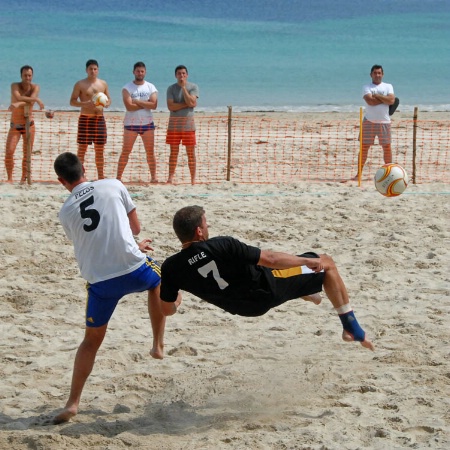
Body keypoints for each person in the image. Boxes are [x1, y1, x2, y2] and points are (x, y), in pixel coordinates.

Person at [51, 152, 171, 424]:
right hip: (133, 269)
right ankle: (157, 344)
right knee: (163, 281)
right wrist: (135, 245)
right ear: (85, 167)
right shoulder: (113, 184)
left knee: (90, 341)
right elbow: (136, 228)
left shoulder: (65, 211)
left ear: (61, 181)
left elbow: (91, 239)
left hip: (100, 282)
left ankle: (72, 403)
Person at [160, 205, 374, 351]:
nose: (209, 228)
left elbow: (167, 309)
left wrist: (177, 301)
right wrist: (305, 261)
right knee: (326, 263)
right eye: (206, 225)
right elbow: (270, 259)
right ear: (199, 231)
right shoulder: (221, 244)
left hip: (243, 309)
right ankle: (350, 327)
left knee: (283, 276)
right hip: (266, 289)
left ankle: (305, 291)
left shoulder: (171, 267)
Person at [117, 61, 158, 183]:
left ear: (145, 72)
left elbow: (154, 105)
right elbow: (129, 107)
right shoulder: (127, 87)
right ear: (133, 72)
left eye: (142, 71)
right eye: (138, 71)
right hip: (131, 124)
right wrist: (146, 104)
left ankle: (154, 177)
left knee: (150, 152)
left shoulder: (151, 87)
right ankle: (118, 177)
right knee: (126, 151)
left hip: (147, 124)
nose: (140, 73)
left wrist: (138, 102)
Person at [70, 59, 111, 180]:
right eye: (90, 69)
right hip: (85, 119)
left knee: (100, 149)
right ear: (86, 70)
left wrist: (107, 104)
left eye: (95, 69)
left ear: (98, 70)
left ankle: (101, 176)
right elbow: (72, 101)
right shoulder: (80, 84)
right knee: (82, 149)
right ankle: (79, 176)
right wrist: (85, 103)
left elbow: (109, 99)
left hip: (99, 119)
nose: (93, 71)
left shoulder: (103, 84)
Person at [353, 64, 395, 180]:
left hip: (384, 121)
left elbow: (392, 100)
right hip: (369, 121)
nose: (377, 75)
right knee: (364, 147)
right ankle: (359, 174)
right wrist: (383, 98)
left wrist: (377, 96)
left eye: (379, 73)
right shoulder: (367, 87)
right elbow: (370, 102)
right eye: (375, 73)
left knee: (386, 147)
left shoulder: (388, 86)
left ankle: (389, 173)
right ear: (371, 74)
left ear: (382, 74)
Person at [5, 65, 45, 183]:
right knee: (9, 152)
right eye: (25, 75)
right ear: (21, 76)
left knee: (27, 154)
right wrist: (37, 100)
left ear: (32, 76)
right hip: (15, 125)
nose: (27, 78)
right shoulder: (15, 85)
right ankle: (10, 178)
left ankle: (24, 177)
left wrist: (19, 103)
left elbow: (30, 99)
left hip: (29, 125)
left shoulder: (35, 87)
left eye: (29, 75)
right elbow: (18, 97)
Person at [165, 65, 199, 185]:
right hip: (174, 126)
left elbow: (192, 101)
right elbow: (171, 106)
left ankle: (193, 179)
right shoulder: (171, 88)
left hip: (188, 126)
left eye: (184, 73)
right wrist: (188, 104)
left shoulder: (193, 87)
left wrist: (184, 88)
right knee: (173, 153)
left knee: (191, 153)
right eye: (179, 74)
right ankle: (170, 177)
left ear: (187, 75)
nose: (181, 76)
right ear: (175, 75)